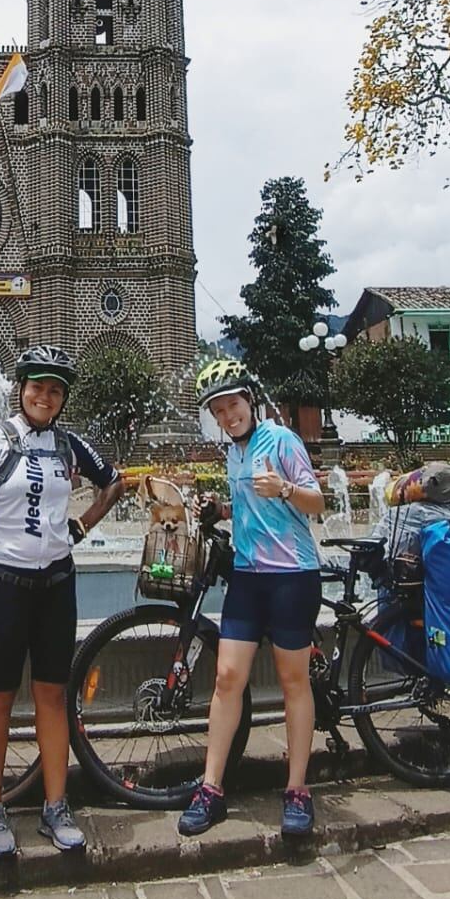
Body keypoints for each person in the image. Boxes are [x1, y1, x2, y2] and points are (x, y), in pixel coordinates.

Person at [0, 345, 126, 859]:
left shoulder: (70, 445)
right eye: (36, 387)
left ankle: (55, 805)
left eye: (54, 390)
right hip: (3, 583)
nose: (44, 397)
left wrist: (82, 524)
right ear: (20, 389)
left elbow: (113, 482)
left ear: (62, 398)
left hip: (56, 584)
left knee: (53, 695)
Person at [178, 358, 325, 841]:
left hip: (291, 577)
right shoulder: (234, 453)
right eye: (218, 411)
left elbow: (316, 501)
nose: (227, 416)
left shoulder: (281, 440)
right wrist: (218, 508)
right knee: (226, 678)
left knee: (292, 681)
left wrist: (284, 487)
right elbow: (247, 505)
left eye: (233, 405)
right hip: (247, 575)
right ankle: (212, 787)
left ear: (250, 401)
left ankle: (298, 789)